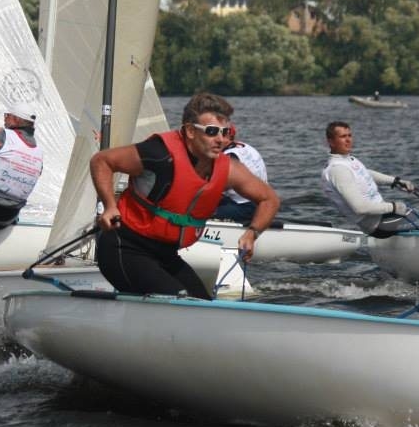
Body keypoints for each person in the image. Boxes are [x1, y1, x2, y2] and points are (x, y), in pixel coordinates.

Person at [91, 92, 280, 300]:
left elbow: (269, 199)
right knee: (181, 300)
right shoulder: (158, 154)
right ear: (190, 131)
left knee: (204, 304)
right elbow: (102, 161)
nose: (220, 139)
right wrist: (110, 206)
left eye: (225, 132)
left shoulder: (229, 169)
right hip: (124, 248)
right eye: (212, 131)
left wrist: (252, 233)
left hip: (166, 255)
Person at [321, 121, 419, 238]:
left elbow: (364, 173)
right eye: (343, 137)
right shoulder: (338, 170)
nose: (348, 140)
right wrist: (394, 207)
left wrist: (395, 181)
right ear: (331, 142)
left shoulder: (346, 160)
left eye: (349, 135)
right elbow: (360, 208)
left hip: (383, 216)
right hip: (377, 224)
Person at [213, 125, 268, 223]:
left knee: (203, 211)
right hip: (260, 203)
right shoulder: (244, 147)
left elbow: (220, 186)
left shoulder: (229, 156)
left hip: (245, 206)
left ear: (227, 137)